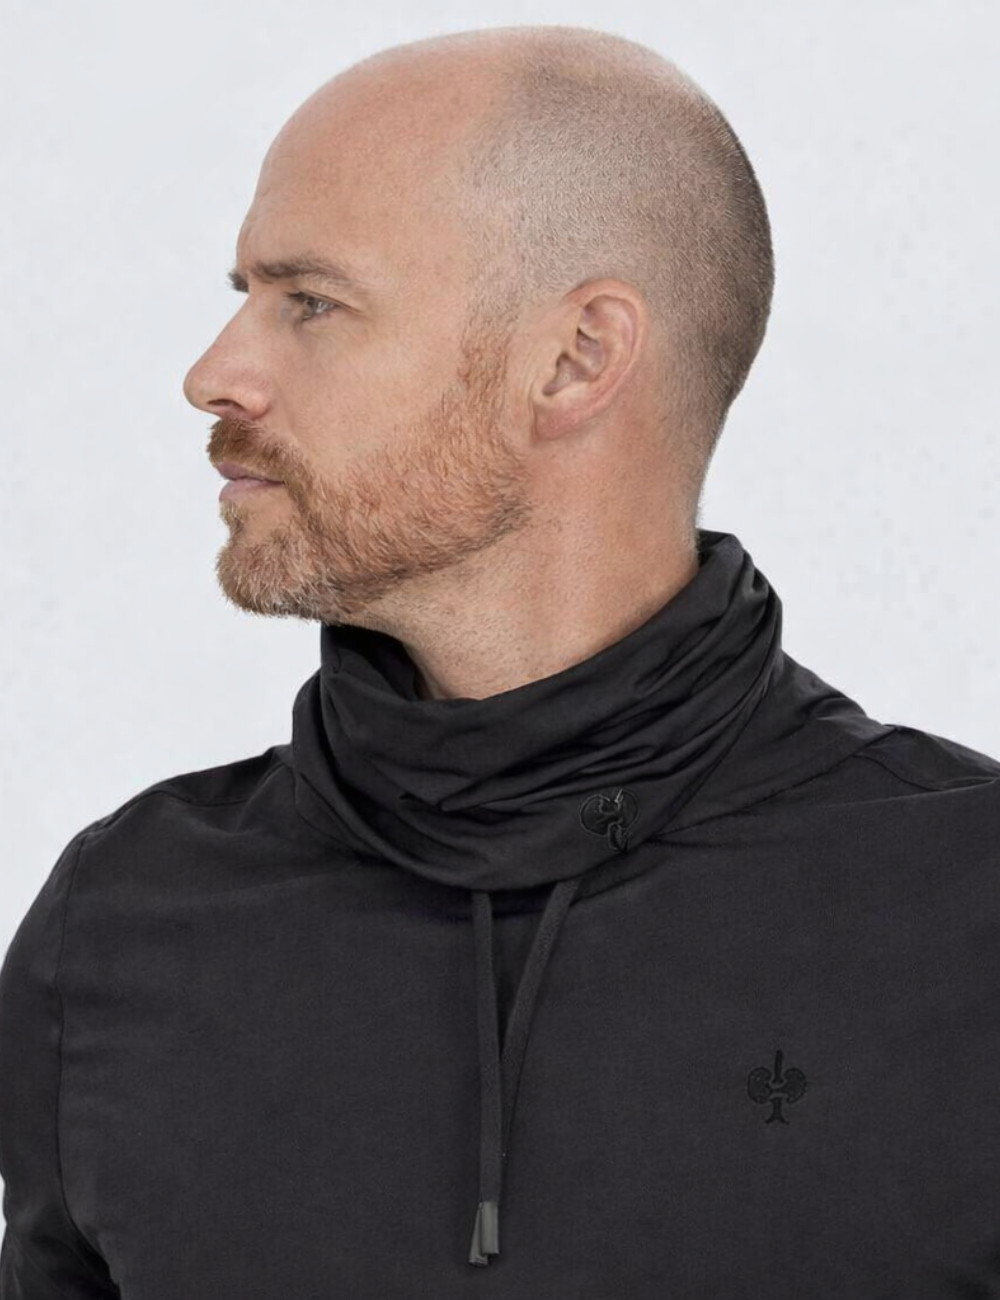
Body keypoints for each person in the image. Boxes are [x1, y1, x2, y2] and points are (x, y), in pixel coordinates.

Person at [2, 23, 998, 1299]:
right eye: (242, 294)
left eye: (311, 302)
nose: (214, 375)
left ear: (574, 359)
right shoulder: (120, 928)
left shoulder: (964, 915)